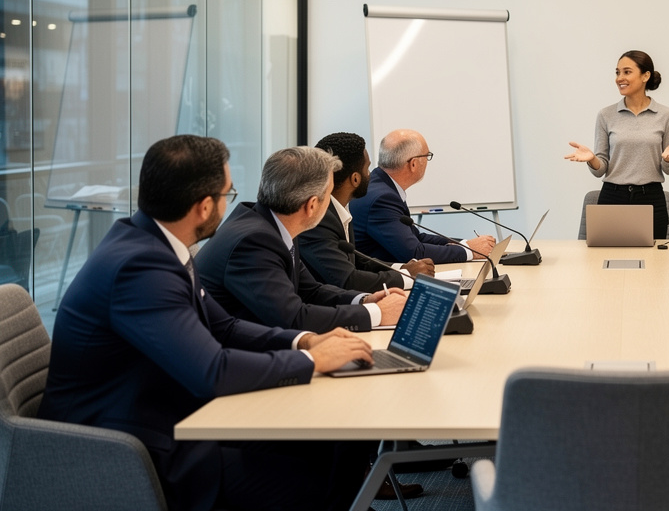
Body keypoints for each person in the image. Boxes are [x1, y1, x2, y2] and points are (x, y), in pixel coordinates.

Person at [38, 135, 376, 511]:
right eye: (226, 195)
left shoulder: (155, 245)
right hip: (124, 447)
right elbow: (213, 371)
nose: (230, 204)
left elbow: (225, 327)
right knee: (313, 480)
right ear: (202, 207)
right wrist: (312, 362)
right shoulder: (141, 269)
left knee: (327, 445)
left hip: (164, 411)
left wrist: (304, 343)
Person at [197, 146, 409, 333]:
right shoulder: (254, 242)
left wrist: (364, 300)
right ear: (312, 205)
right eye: (329, 196)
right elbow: (293, 318)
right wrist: (376, 313)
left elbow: (310, 290)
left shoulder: (273, 224)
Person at [296, 132, 435, 293]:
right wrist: (407, 275)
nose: (371, 174)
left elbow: (357, 262)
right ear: (355, 179)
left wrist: (403, 268)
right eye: (368, 168)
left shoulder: (338, 210)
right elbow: (348, 280)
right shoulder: (319, 219)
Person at [565, 50, 669, 241]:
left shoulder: (666, 115)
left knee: (654, 262)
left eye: (627, 72)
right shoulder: (606, 115)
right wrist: (593, 159)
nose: (620, 78)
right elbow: (600, 169)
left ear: (645, 76)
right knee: (604, 260)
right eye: (617, 72)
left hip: (651, 198)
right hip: (612, 196)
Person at [350, 129, 497, 263]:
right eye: (427, 156)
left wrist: (466, 244)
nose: (428, 161)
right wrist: (470, 251)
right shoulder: (381, 198)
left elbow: (416, 238)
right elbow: (414, 253)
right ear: (413, 164)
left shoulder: (382, 185)